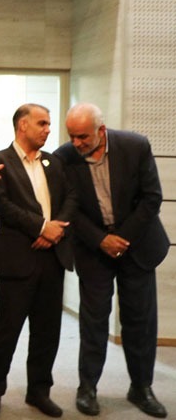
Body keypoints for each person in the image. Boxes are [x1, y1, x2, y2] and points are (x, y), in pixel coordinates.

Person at [55, 103, 169, 418]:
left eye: (83, 136)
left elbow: (151, 198)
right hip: (94, 249)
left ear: (101, 130)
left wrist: (122, 238)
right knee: (93, 321)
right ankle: (87, 388)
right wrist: (101, 240)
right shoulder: (64, 156)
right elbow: (68, 207)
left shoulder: (135, 146)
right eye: (72, 136)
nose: (76, 143)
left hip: (137, 245)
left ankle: (141, 388)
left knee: (140, 321)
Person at [0, 104, 77, 418]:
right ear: (23, 125)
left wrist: (55, 230)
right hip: (17, 258)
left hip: (52, 257)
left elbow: (72, 197)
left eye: (48, 124)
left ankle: (39, 391)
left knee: (47, 331)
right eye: (42, 123)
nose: (48, 129)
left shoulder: (54, 161)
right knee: (7, 330)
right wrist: (40, 227)